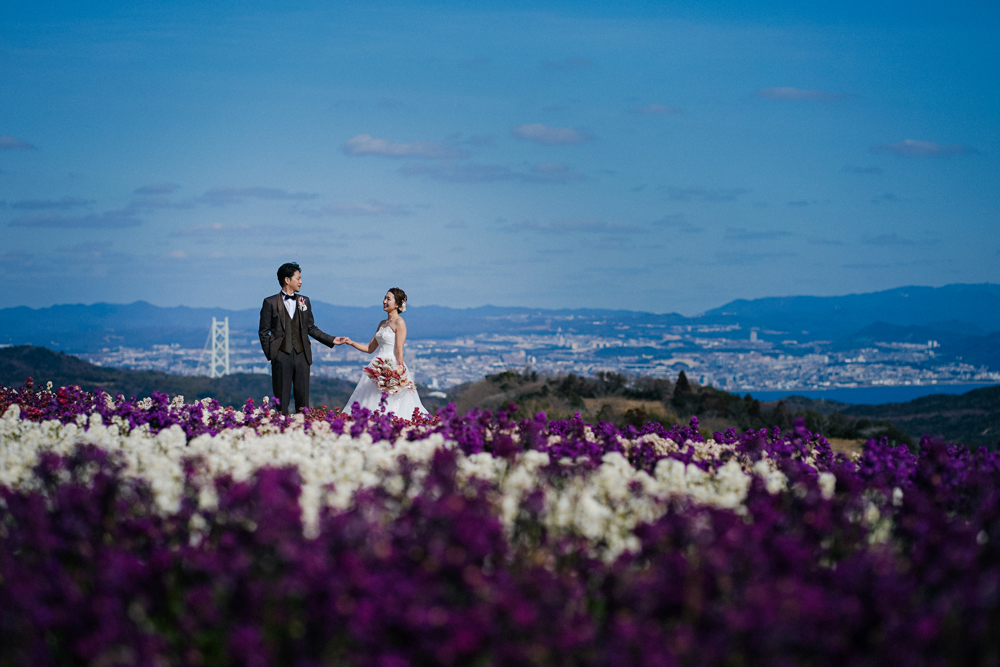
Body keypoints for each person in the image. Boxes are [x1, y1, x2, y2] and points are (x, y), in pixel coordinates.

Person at [258, 262, 340, 415]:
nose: (301, 282)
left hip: (303, 355)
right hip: (281, 355)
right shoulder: (270, 302)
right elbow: (263, 331)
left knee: (303, 399)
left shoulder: (304, 301)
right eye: (298, 278)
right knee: (281, 400)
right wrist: (272, 354)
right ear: (287, 280)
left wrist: (331, 339)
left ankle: (304, 429)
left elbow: (310, 327)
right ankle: (281, 429)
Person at [339, 287, 428, 419]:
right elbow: (370, 348)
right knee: (370, 401)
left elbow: (399, 350)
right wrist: (351, 342)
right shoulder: (382, 323)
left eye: (388, 299)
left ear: (397, 304)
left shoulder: (400, 322)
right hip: (376, 366)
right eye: (385, 298)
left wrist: (399, 371)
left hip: (392, 367)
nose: (384, 301)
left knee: (391, 403)